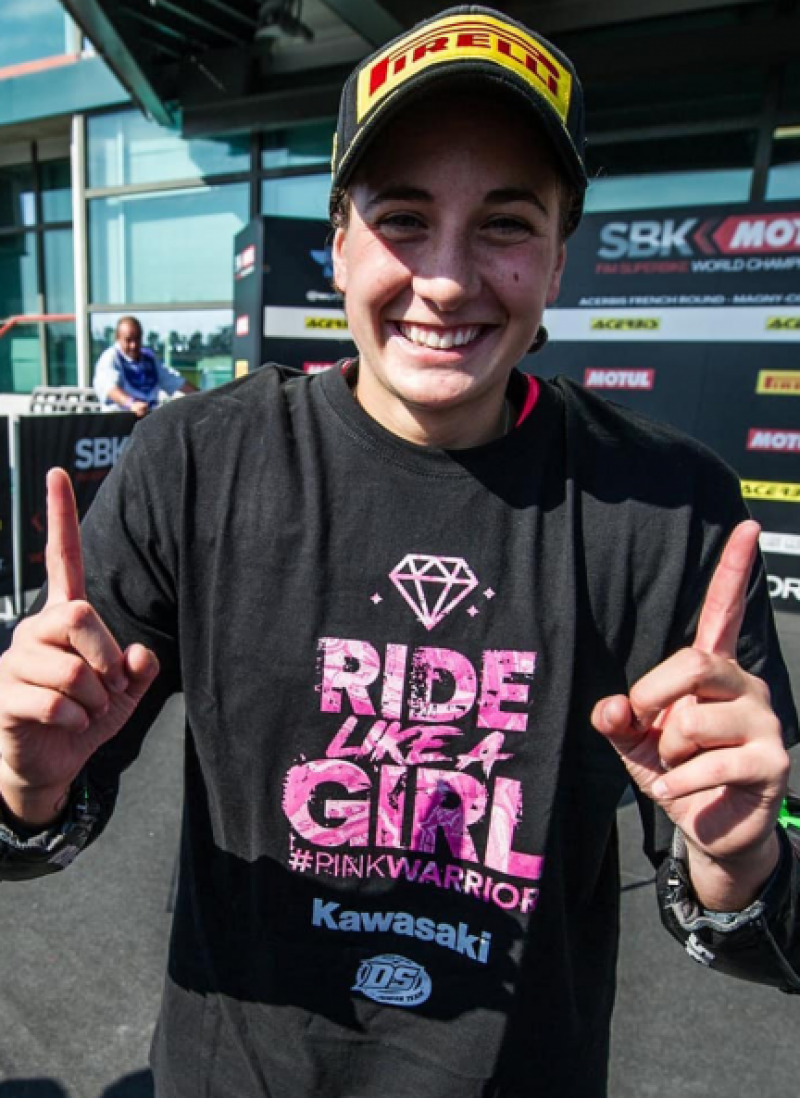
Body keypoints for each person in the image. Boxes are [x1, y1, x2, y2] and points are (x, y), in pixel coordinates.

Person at [0, 7, 798, 1097]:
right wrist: (20, 782)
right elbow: (30, 825)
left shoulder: (668, 507)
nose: (446, 278)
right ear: (336, 247)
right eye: (403, 218)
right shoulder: (195, 461)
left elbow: (768, 926)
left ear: (560, 258)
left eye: (505, 225)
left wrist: (734, 856)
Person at [93, 315, 196, 416]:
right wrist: (131, 404)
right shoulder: (110, 358)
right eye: (128, 340)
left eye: (137, 339)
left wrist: (204, 397)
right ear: (118, 338)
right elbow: (109, 389)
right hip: (120, 422)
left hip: (147, 420)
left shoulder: (149, 358)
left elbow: (174, 381)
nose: (133, 345)